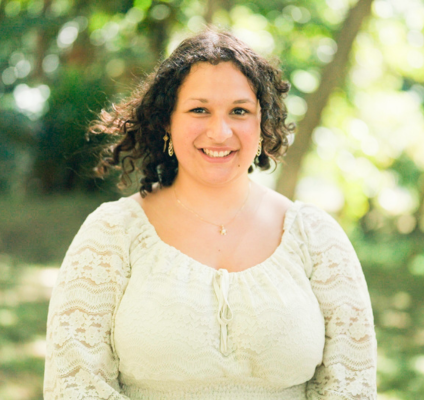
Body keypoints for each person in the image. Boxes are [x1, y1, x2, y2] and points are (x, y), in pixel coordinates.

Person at [44, 28, 377, 399]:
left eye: (239, 111)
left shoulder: (316, 238)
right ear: (167, 123)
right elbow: (74, 384)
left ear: (261, 123)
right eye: (199, 110)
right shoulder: (112, 233)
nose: (219, 132)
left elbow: (351, 385)